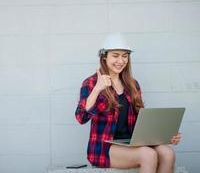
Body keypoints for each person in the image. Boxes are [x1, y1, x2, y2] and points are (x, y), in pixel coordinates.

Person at [75, 33, 181, 173]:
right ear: (104, 56)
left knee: (168, 154)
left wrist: (165, 135)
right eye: (115, 55)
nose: (120, 60)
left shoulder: (132, 84)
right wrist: (97, 89)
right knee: (148, 155)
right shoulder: (91, 83)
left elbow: (142, 121)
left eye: (125, 56)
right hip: (104, 147)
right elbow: (81, 118)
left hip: (132, 143)